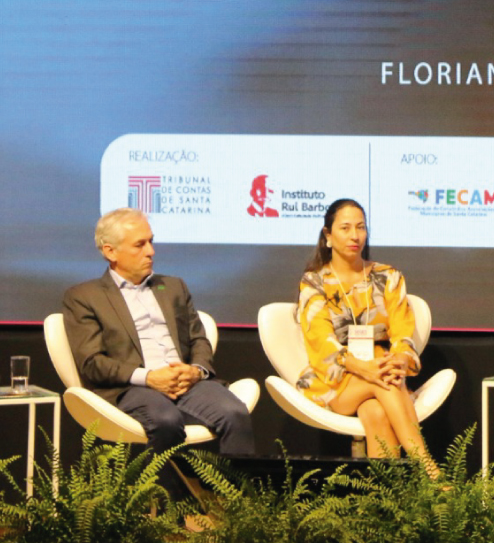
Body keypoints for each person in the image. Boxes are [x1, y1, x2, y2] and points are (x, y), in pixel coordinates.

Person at [62, 208, 254, 497]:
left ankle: (240, 513)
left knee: (234, 413)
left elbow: (198, 338)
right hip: (132, 387)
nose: (151, 251)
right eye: (140, 245)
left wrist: (196, 370)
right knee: (165, 421)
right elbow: (92, 362)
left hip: (186, 381)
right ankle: (170, 517)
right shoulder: (84, 296)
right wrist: (149, 377)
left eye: (151, 241)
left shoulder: (173, 286)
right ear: (110, 251)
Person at [296, 198, 440, 476]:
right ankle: (429, 469)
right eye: (346, 228)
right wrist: (366, 367)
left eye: (360, 227)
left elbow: (402, 333)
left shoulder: (389, 277)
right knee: (384, 376)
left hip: (381, 372)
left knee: (376, 411)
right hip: (335, 380)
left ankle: (385, 505)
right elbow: (321, 342)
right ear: (328, 235)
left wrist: (398, 359)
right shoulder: (314, 282)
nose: (354, 235)